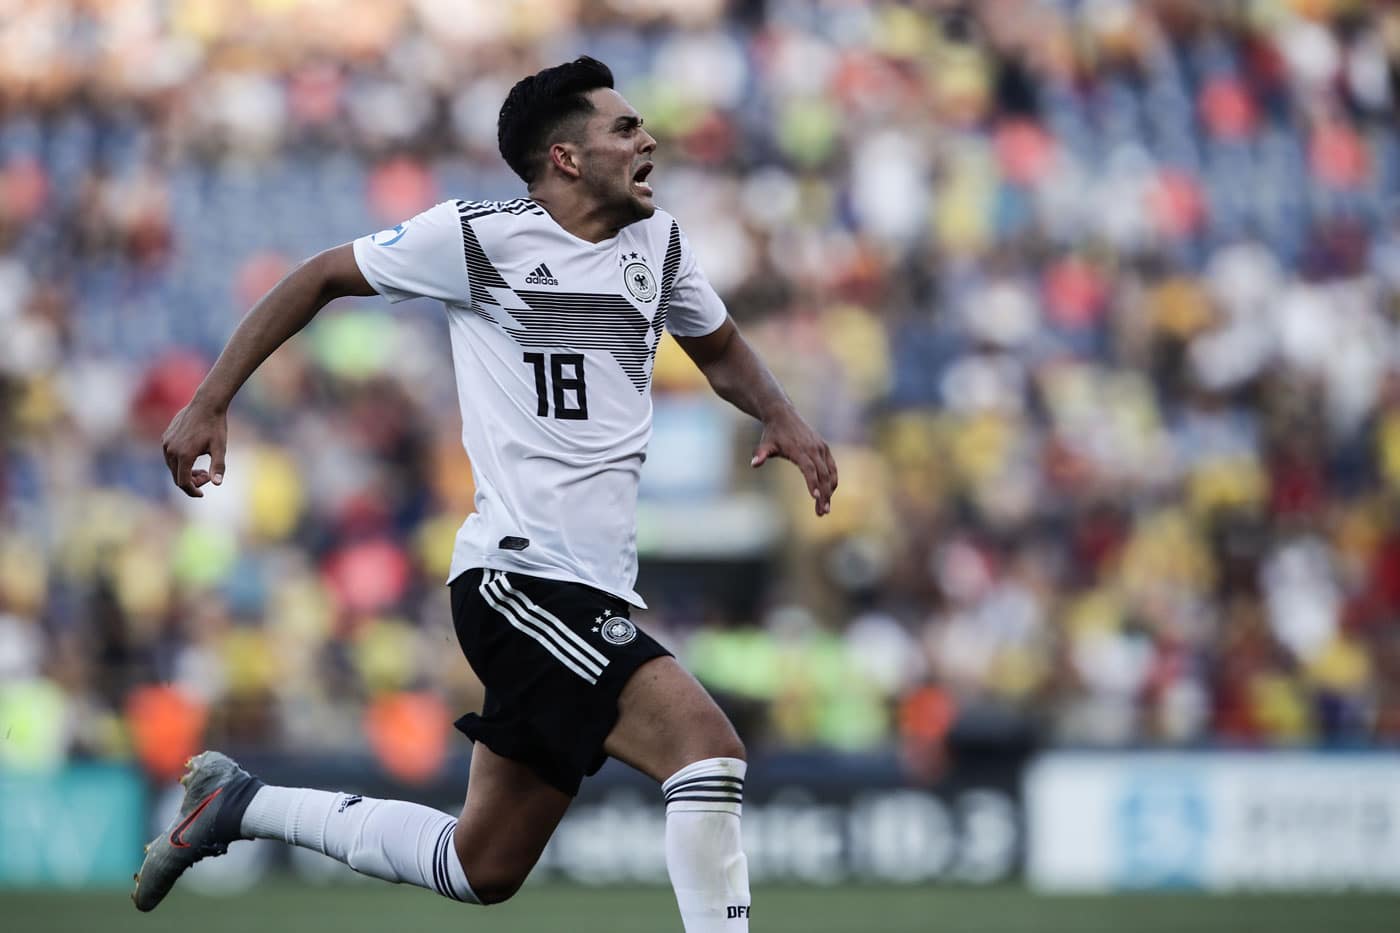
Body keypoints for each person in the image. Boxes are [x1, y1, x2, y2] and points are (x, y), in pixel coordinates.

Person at [134, 56, 836, 930]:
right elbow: (319, 274)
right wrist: (210, 400)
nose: (648, 139)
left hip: (592, 587)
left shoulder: (660, 247)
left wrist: (785, 417)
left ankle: (236, 805)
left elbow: (720, 348)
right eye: (624, 128)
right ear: (567, 159)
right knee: (708, 753)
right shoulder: (475, 238)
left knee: (481, 865)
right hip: (519, 582)